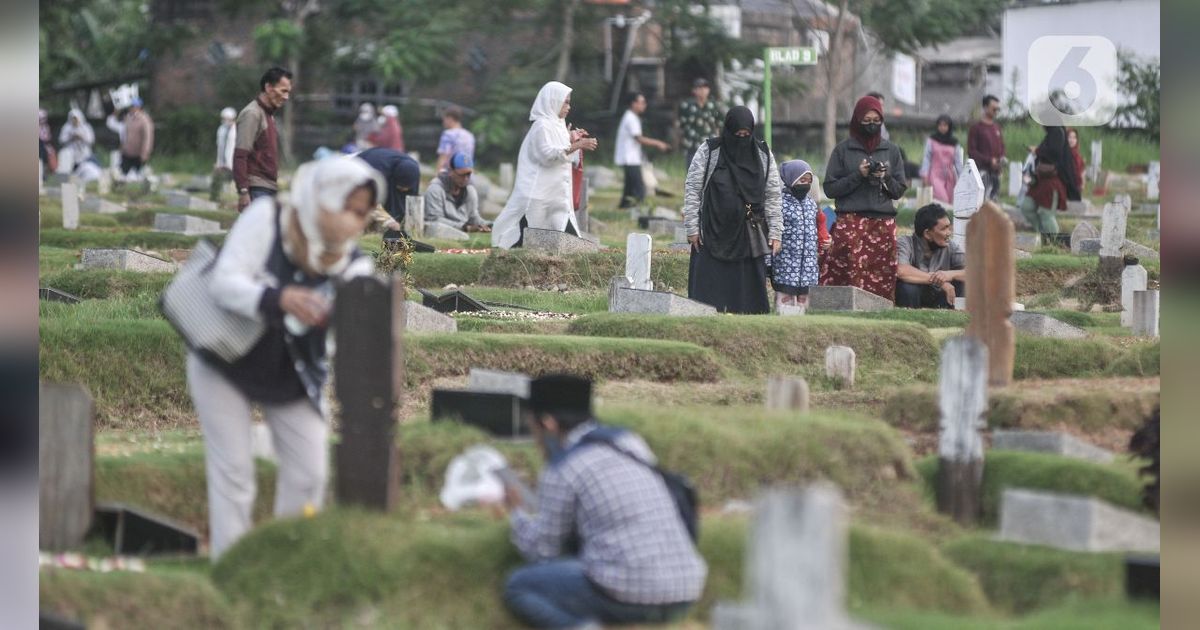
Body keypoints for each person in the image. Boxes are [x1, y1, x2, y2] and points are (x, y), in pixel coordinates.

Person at [187, 157, 383, 559]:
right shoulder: (270, 219)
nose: (351, 222)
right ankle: (232, 568)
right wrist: (280, 299)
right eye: (346, 208)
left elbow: (353, 327)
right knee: (234, 475)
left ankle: (284, 564)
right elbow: (225, 281)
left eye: (361, 214)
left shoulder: (354, 263)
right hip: (227, 357)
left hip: (293, 370)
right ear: (323, 198)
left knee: (311, 474)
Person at [496, 374, 707, 628]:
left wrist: (516, 511)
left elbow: (541, 551)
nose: (535, 438)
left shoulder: (563, 468)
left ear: (548, 423)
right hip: (686, 587)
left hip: (633, 591)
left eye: (532, 426)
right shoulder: (627, 441)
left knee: (520, 586)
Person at [683, 106, 783, 314]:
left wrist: (775, 231)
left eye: (746, 135)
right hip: (712, 232)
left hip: (748, 232)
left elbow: (773, 193)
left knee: (747, 294)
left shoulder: (762, 154)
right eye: (737, 135)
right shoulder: (710, 151)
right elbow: (693, 188)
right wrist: (692, 227)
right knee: (708, 294)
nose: (742, 139)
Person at [819, 94, 908, 301]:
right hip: (851, 221)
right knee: (848, 274)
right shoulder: (843, 150)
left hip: (882, 224)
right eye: (866, 121)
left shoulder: (891, 150)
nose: (871, 125)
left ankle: (880, 314)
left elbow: (899, 190)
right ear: (856, 121)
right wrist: (858, 175)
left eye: (876, 121)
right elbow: (831, 189)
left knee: (882, 276)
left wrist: (885, 177)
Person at [491, 81, 598, 249]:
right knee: (526, 241)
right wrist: (577, 145)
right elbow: (547, 155)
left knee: (568, 241)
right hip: (539, 198)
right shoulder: (541, 126)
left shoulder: (559, 125)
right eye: (566, 102)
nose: (569, 107)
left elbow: (562, 149)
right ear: (554, 101)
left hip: (558, 197)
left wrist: (572, 137)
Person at [772, 160, 830, 313]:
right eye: (802, 180)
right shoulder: (779, 203)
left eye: (809, 181)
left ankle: (802, 324)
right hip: (786, 262)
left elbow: (816, 228)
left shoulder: (811, 204)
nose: (806, 184)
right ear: (791, 180)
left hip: (808, 265)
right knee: (785, 299)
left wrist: (823, 242)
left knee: (804, 300)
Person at [234, 66, 292, 212]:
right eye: (283, 91)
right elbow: (240, 155)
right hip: (257, 190)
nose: (286, 97)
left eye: (288, 92)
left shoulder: (268, 114)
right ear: (268, 87)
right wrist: (243, 191)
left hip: (268, 188)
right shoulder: (252, 114)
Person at [895, 204, 965, 309]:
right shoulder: (905, 242)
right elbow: (902, 271)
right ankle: (910, 319)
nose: (949, 233)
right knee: (907, 288)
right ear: (927, 234)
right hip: (915, 297)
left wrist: (949, 274)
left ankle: (953, 318)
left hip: (940, 297)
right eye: (944, 229)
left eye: (949, 227)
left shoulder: (949, 245)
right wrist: (940, 282)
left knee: (964, 282)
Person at [615, 92, 670, 210]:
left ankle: (624, 207)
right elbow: (639, 138)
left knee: (629, 188)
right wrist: (658, 143)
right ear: (633, 104)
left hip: (631, 157)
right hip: (629, 158)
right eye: (642, 103)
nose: (644, 105)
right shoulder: (630, 118)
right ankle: (637, 210)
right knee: (639, 189)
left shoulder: (631, 117)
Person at [1020, 125, 1075, 243]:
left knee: (1046, 214)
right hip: (1041, 181)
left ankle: (1056, 244)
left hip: (1053, 181)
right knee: (1026, 207)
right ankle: (1043, 236)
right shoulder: (1051, 134)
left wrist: (1037, 150)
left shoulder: (1058, 132)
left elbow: (1054, 152)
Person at [357, 147, 421, 234]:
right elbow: (369, 202)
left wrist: (413, 229)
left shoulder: (412, 169)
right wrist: (389, 222)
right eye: (401, 186)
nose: (404, 190)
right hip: (357, 170)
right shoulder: (377, 171)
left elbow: (413, 200)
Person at [424, 152, 489, 232]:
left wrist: (488, 225)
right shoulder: (435, 189)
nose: (465, 178)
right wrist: (465, 227)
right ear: (451, 171)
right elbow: (434, 220)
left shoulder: (470, 190)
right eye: (462, 175)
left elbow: (473, 217)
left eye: (468, 174)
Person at [918, 114, 963, 205]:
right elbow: (927, 158)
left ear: (949, 126)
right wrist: (925, 175)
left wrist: (962, 178)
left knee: (950, 202)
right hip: (935, 175)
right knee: (943, 200)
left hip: (950, 177)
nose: (942, 128)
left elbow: (958, 162)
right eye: (940, 125)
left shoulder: (954, 143)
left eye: (945, 125)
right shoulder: (932, 140)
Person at [967, 95, 1005, 200]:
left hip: (995, 173)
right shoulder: (976, 128)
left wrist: (1000, 161)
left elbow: (1002, 147)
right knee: (981, 202)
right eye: (994, 108)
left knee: (994, 203)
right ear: (985, 107)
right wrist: (989, 160)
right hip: (981, 173)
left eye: (998, 109)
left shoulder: (997, 127)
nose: (996, 111)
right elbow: (972, 151)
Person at [678, 78, 722, 167]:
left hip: (710, 146)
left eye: (705, 88)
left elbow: (719, 124)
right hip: (692, 146)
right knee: (693, 176)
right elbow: (681, 125)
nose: (702, 91)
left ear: (708, 90)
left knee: (710, 176)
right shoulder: (686, 106)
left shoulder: (714, 106)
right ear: (694, 90)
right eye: (699, 88)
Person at [116, 98, 154, 179]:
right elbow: (124, 134)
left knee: (140, 176)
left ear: (139, 107)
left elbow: (147, 138)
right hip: (127, 152)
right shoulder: (128, 118)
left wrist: (145, 152)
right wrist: (122, 147)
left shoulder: (145, 120)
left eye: (134, 106)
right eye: (131, 106)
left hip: (138, 153)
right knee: (122, 174)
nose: (132, 108)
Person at [56, 107, 95, 176]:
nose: (74, 121)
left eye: (76, 119)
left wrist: (81, 137)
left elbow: (91, 140)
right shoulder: (66, 127)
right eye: (73, 119)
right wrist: (71, 137)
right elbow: (61, 140)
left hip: (84, 154)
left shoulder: (86, 127)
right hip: (70, 154)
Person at [436, 106, 475, 172]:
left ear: (450, 118)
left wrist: (437, 175)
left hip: (451, 174)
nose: (443, 122)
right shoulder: (469, 135)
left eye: (444, 119)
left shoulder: (448, 134)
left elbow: (443, 157)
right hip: (466, 174)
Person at [211, 107, 238, 202]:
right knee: (220, 179)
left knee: (233, 180)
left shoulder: (236, 130)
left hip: (233, 160)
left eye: (228, 119)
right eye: (224, 118)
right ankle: (217, 196)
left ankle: (232, 194)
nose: (225, 121)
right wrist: (218, 162)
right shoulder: (221, 129)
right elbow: (220, 147)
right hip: (222, 161)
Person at [1066, 128, 1086, 193]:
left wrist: (1083, 184)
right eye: (1069, 137)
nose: (1072, 140)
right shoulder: (1063, 153)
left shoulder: (1078, 156)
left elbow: (1082, 171)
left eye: (1074, 138)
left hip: (1077, 188)